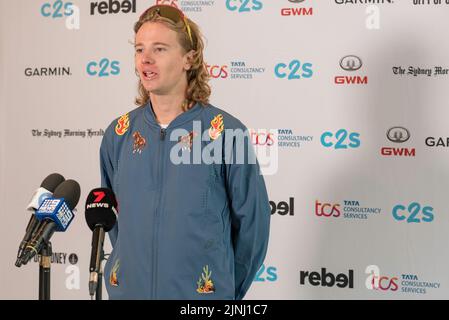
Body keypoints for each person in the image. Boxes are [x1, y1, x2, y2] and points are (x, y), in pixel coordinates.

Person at [99, 4, 270, 300]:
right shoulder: (119, 133)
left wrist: (220, 292)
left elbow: (252, 230)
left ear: (189, 58)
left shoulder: (227, 133)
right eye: (139, 50)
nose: (146, 59)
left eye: (160, 49)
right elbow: (116, 224)